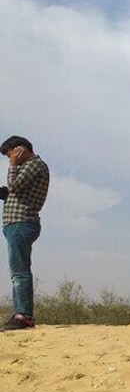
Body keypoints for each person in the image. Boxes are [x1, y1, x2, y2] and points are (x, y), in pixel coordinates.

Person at [0, 136, 50, 330]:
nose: (8, 159)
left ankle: (24, 316)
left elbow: (14, 186)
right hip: (16, 223)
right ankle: (20, 314)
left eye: (9, 154)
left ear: (19, 149)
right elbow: (14, 192)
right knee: (17, 273)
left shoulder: (35, 164)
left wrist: (12, 164)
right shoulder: (28, 167)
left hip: (22, 222)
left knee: (19, 273)